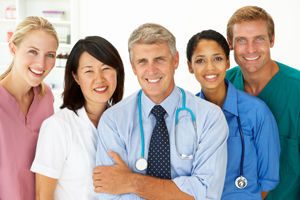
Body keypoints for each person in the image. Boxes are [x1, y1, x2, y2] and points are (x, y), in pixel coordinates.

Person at [92, 23, 229, 200]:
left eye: (159, 59)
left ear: (176, 60)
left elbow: (206, 193)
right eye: (142, 62)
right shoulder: (113, 120)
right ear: (133, 67)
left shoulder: (209, 117)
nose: (151, 70)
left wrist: (131, 182)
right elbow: (108, 193)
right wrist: (180, 191)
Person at [187, 29, 280, 200]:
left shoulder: (257, 112)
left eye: (218, 58)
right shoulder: (186, 116)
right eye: (200, 60)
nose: (210, 67)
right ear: (190, 66)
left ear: (228, 62)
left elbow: (268, 179)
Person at [30, 36, 125, 200]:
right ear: (76, 77)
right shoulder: (58, 127)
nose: (99, 78)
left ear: (117, 71)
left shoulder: (125, 123)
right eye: (89, 71)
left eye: (106, 68)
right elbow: (43, 196)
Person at [225, 6, 300, 200]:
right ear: (230, 44)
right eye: (241, 40)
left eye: (259, 38)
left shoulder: (296, 90)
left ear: (272, 40)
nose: (250, 49)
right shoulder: (222, 86)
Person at [0, 16, 58, 200]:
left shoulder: (46, 96)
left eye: (50, 55)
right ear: (13, 49)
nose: (41, 64)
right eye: (33, 51)